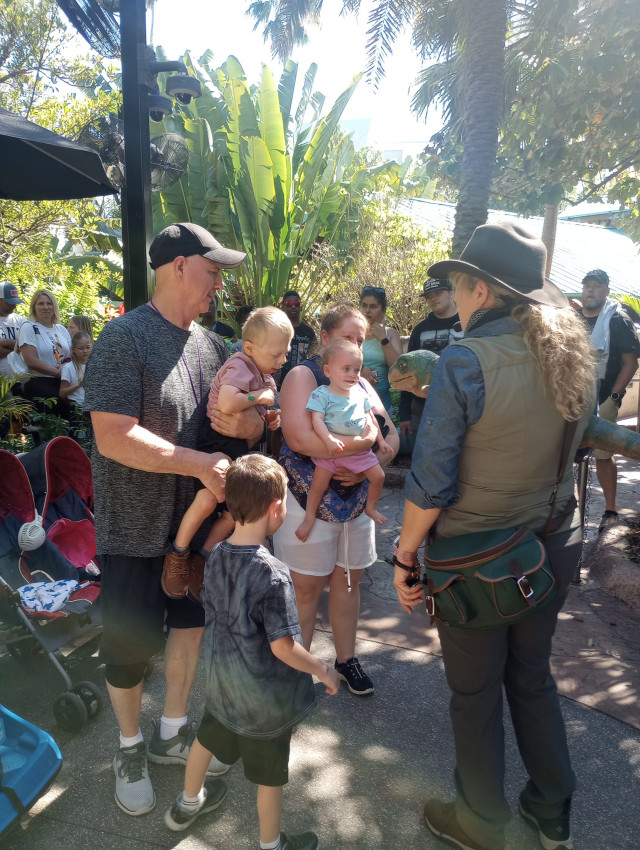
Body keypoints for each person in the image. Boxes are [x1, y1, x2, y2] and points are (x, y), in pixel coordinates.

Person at [393, 222, 596, 850]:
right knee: (531, 676)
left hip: (476, 558)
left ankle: (481, 823)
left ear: (479, 289)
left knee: (475, 693)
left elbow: (430, 483)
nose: (453, 298)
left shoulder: (465, 358)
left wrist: (404, 558)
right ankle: (551, 809)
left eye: (456, 286)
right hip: (553, 543)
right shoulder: (571, 354)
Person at [83, 221, 263, 817]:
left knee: (190, 628)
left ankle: (171, 732)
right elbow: (112, 437)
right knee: (129, 649)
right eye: (213, 270)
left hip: (197, 532)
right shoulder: (122, 338)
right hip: (134, 530)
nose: (219, 283)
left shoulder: (214, 347)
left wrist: (250, 427)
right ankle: (130, 745)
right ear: (179, 266)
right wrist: (196, 461)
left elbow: (246, 426)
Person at [164, 454, 339, 850]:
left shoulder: (216, 555)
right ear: (276, 508)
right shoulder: (274, 574)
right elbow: (284, 647)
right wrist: (323, 670)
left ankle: (185, 805)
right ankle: (271, 844)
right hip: (263, 706)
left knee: (204, 743)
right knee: (269, 779)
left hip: (222, 687)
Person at [274, 303, 399, 696]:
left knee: (349, 579)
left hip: (356, 497)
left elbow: (390, 436)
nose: (356, 348)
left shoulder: (360, 382)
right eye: (349, 338)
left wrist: (373, 458)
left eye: (361, 341)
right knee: (305, 588)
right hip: (306, 495)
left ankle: (346, 659)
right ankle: (297, 667)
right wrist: (359, 450)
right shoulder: (303, 375)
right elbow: (298, 437)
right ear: (325, 339)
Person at [161, 306, 292, 600]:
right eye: (276, 354)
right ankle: (178, 555)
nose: (282, 360)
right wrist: (261, 397)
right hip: (216, 443)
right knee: (209, 496)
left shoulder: (263, 373)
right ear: (250, 347)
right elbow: (229, 403)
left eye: (285, 353)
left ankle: (203, 556)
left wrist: (268, 418)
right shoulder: (240, 366)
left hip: (237, 446)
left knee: (237, 511)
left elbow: (258, 413)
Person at [296, 339, 393, 542]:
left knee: (379, 477)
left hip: (360, 453)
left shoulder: (360, 392)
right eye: (346, 369)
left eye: (356, 370)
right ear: (328, 371)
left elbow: (371, 418)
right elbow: (317, 420)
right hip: (330, 451)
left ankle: (371, 508)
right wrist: (328, 439)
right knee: (317, 486)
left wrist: (382, 441)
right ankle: (309, 518)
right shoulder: (321, 394)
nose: (352, 375)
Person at [578, 269, 640, 532]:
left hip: (604, 395)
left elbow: (630, 363)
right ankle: (572, 509)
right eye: (587, 286)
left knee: (603, 454)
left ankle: (610, 510)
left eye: (596, 286)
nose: (590, 290)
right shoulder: (574, 319)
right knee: (571, 453)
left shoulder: (616, 319)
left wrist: (614, 397)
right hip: (576, 396)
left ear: (606, 291)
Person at [398, 278, 462, 449]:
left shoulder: (467, 324)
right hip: (422, 406)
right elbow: (407, 371)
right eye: (429, 296)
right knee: (424, 453)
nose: (433, 298)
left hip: (460, 403)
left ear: (451, 294)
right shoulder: (419, 329)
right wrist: (405, 414)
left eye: (438, 293)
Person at [8, 289, 71, 408]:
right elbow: (31, 361)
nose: (45, 307)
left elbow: (73, 356)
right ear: (34, 307)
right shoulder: (29, 327)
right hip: (39, 382)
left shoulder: (61, 329)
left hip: (63, 382)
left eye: (49, 303)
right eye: (41, 303)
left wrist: (65, 367)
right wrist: (57, 372)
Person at [359, 285, 403, 415]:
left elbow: (399, 369)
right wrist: (359, 370)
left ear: (383, 310)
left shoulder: (390, 334)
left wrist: (383, 339)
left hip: (383, 407)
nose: (367, 311)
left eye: (373, 306)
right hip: (355, 405)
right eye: (364, 305)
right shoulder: (353, 332)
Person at [277, 290, 317, 389]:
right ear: (283, 307)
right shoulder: (277, 329)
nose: (293, 306)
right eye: (289, 304)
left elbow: (313, 354)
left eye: (296, 304)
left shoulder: (309, 332)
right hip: (279, 380)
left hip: (301, 379)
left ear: (301, 307)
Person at [0, 282, 26, 377]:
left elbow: (30, 348)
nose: (14, 306)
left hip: (20, 379)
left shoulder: (22, 321)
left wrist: (3, 342)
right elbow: (24, 347)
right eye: (9, 303)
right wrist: (18, 348)